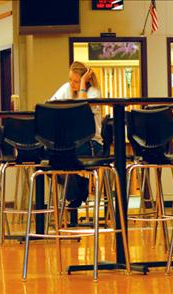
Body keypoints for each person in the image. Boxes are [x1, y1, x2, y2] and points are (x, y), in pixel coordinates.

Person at [48, 61, 103, 215]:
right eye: (71, 80)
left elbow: (81, 111)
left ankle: (76, 191)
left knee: (59, 156)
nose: (72, 84)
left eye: (76, 81)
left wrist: (83, 85)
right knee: (47, 157)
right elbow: (50, 104)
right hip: (70, 144)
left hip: (91, 144)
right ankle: (79, 187)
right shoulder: (66, 88)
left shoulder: (93, 93)